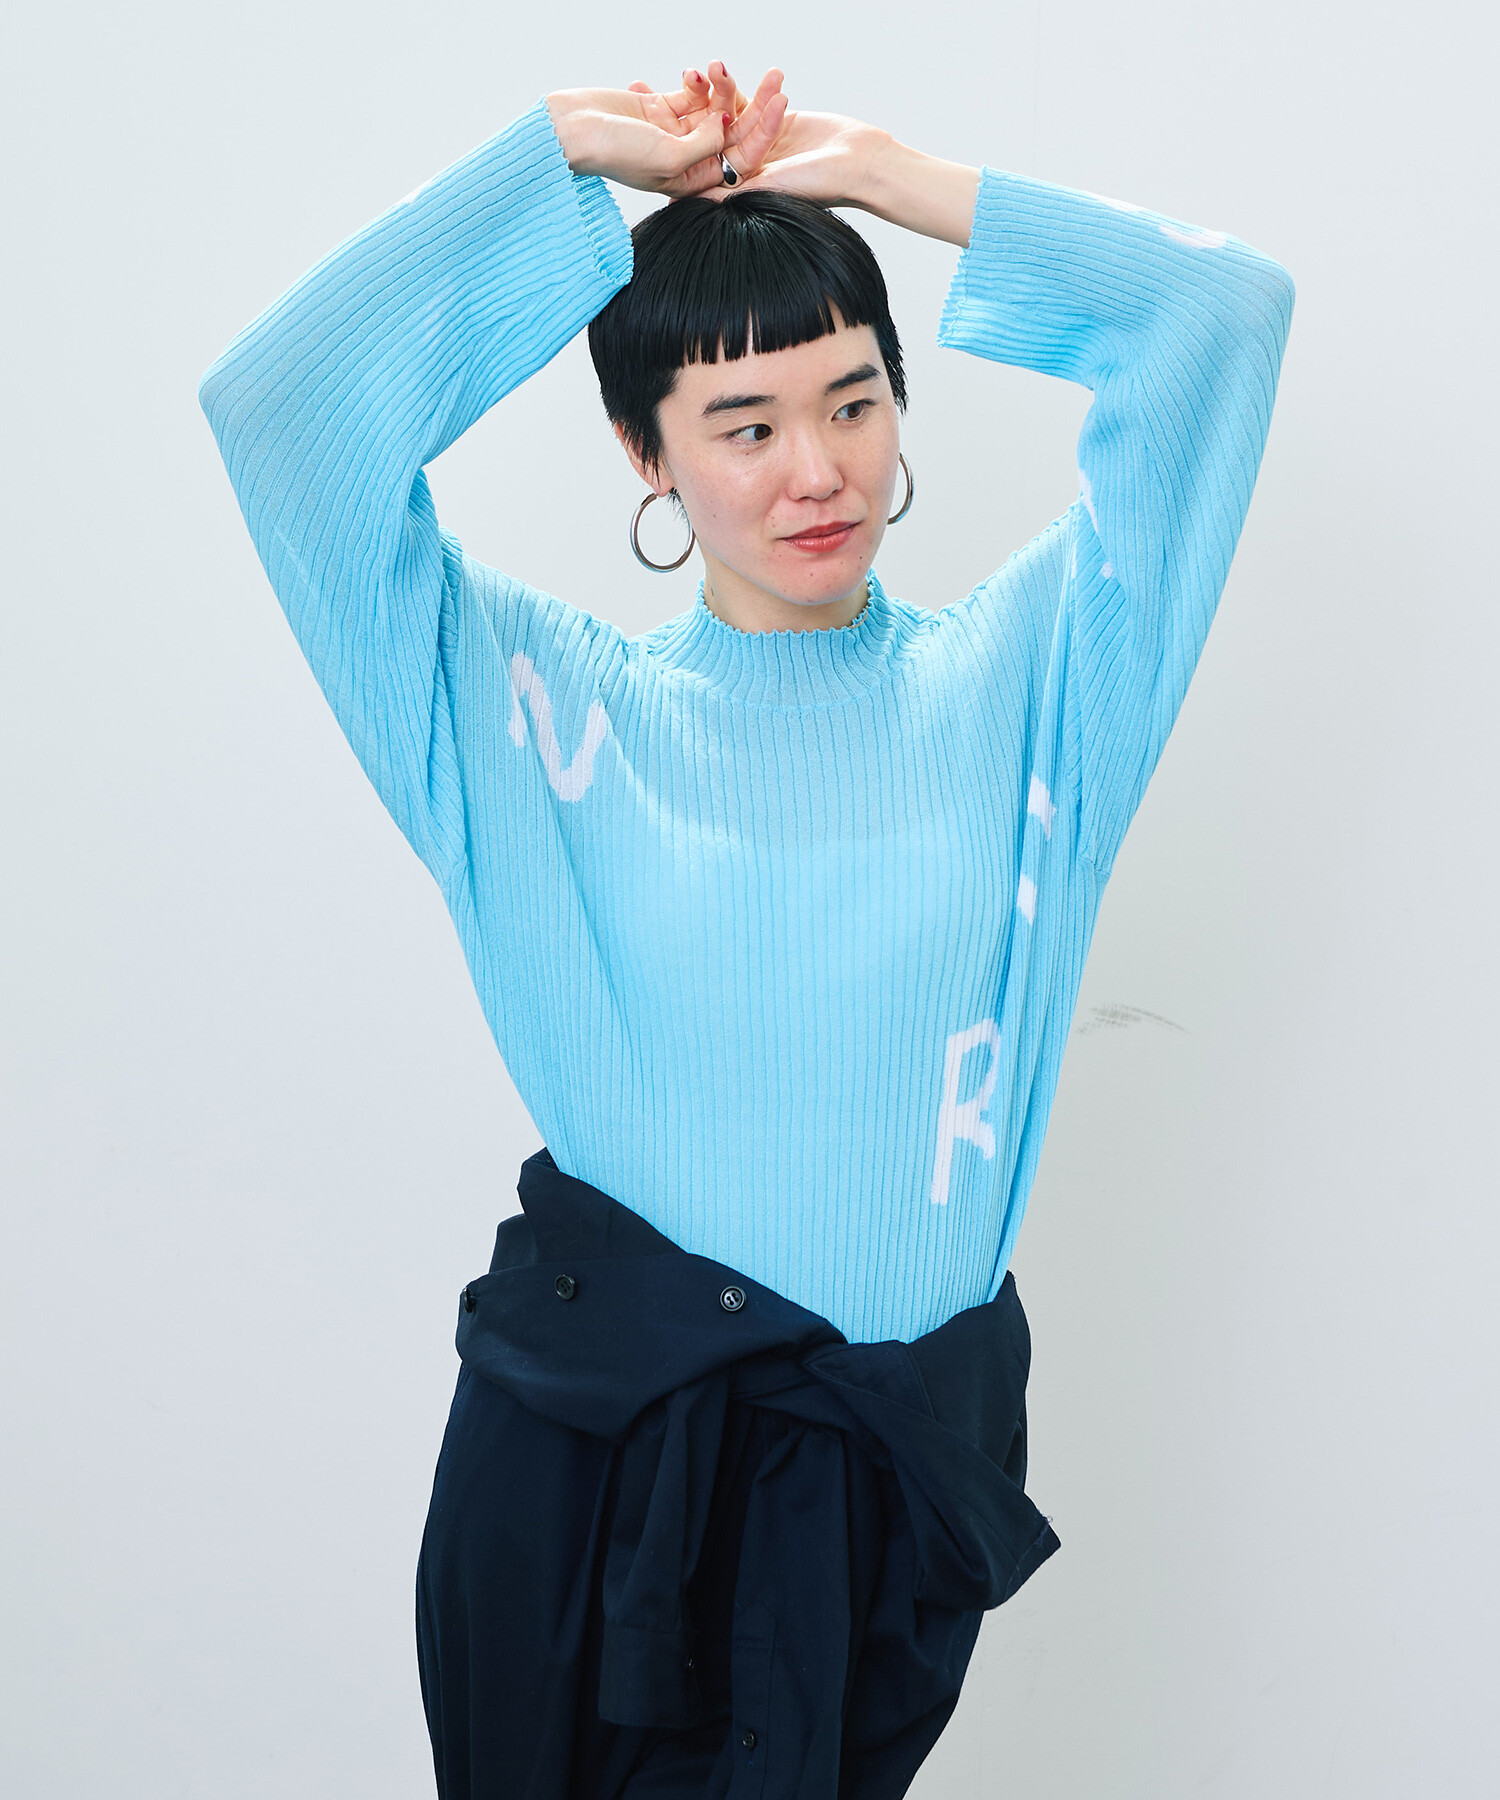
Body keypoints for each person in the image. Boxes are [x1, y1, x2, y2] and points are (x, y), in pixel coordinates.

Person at [199, 60, 1294, 1800]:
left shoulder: (1037, 688)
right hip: (592, 1478)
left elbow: (1220, 320)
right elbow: (283, 411)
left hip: (887, 1477)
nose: (817, 470)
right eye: (745, 424)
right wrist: (562, 160)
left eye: (854, 400)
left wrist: (892, 178)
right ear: (646, 454)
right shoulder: (530, 709)